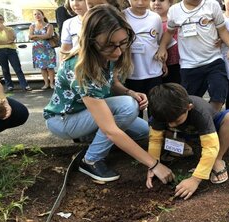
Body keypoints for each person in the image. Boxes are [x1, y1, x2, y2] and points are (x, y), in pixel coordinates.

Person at [43, 5, 174, 184]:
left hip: (87, 113)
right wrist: (154, 164)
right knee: (128, 107)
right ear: (91, 40)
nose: (119, 52)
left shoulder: (104, 55)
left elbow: (111, 82)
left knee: (143, 130)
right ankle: (91, 160)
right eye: (111, 45)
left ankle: (90, 136)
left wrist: (129, 91)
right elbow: (111, 130)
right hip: (64, 120)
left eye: (122, 43)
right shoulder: (80, 68)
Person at [147, 83, 229, 200]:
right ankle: (184, 149)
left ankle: (217, 159)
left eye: (176, 120)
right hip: (185, 134)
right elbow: (155, 140)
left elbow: (210, 146)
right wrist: (153, 165)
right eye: (167, 122)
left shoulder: (200, 112)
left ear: (189, 107)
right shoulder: (161, 113)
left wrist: (195, 179)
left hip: (209, 132)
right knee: (155, 127)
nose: (171, 124)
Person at [156, 0, 229, 112]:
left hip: (214, 60)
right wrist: (162, 47)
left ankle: (211, 120)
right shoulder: (174, 10)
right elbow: (170, 32)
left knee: (219, 94)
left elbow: (222, 29)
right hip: (189, 65)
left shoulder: (212, 5)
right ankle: (195, 124)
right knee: (188, 102)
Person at [123, 0, 164, 117]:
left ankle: (155, 134)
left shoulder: (155, 18)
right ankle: (138, 135)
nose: (140, 2)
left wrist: (163, 62)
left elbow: (159, 42)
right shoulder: (122, 16)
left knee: (156, 108)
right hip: (131, 74)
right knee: (135, 110)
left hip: (154, 72)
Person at [0, 13, 32, 92]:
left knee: (17, 68)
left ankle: (24, 85)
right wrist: (6, 42)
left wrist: (4, 28)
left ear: (3, 20)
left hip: (11, 50)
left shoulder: (9, 29)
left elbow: (11, 38)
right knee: (5, 69)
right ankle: (10, 86)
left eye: (1, 19)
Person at [150, 0, 181, 84]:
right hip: (158, 64)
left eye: (161, 0)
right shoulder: (149, 21)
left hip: (179, 62)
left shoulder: (177, 18)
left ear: (170, 2)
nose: (156, 3)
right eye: (153, 0)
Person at [29, 10, 57, 89]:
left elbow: (48, 36)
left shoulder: (49, 26)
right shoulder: (32, 26)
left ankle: (52, 83)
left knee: (50, 67)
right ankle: (46, 84)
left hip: (48, 48)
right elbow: (30, 37)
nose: (37, 15)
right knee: (42, 67)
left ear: (43, 15)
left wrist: (35, 36)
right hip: (37, 49)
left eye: (39, 14)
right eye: (35, 14)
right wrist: (41, 36)